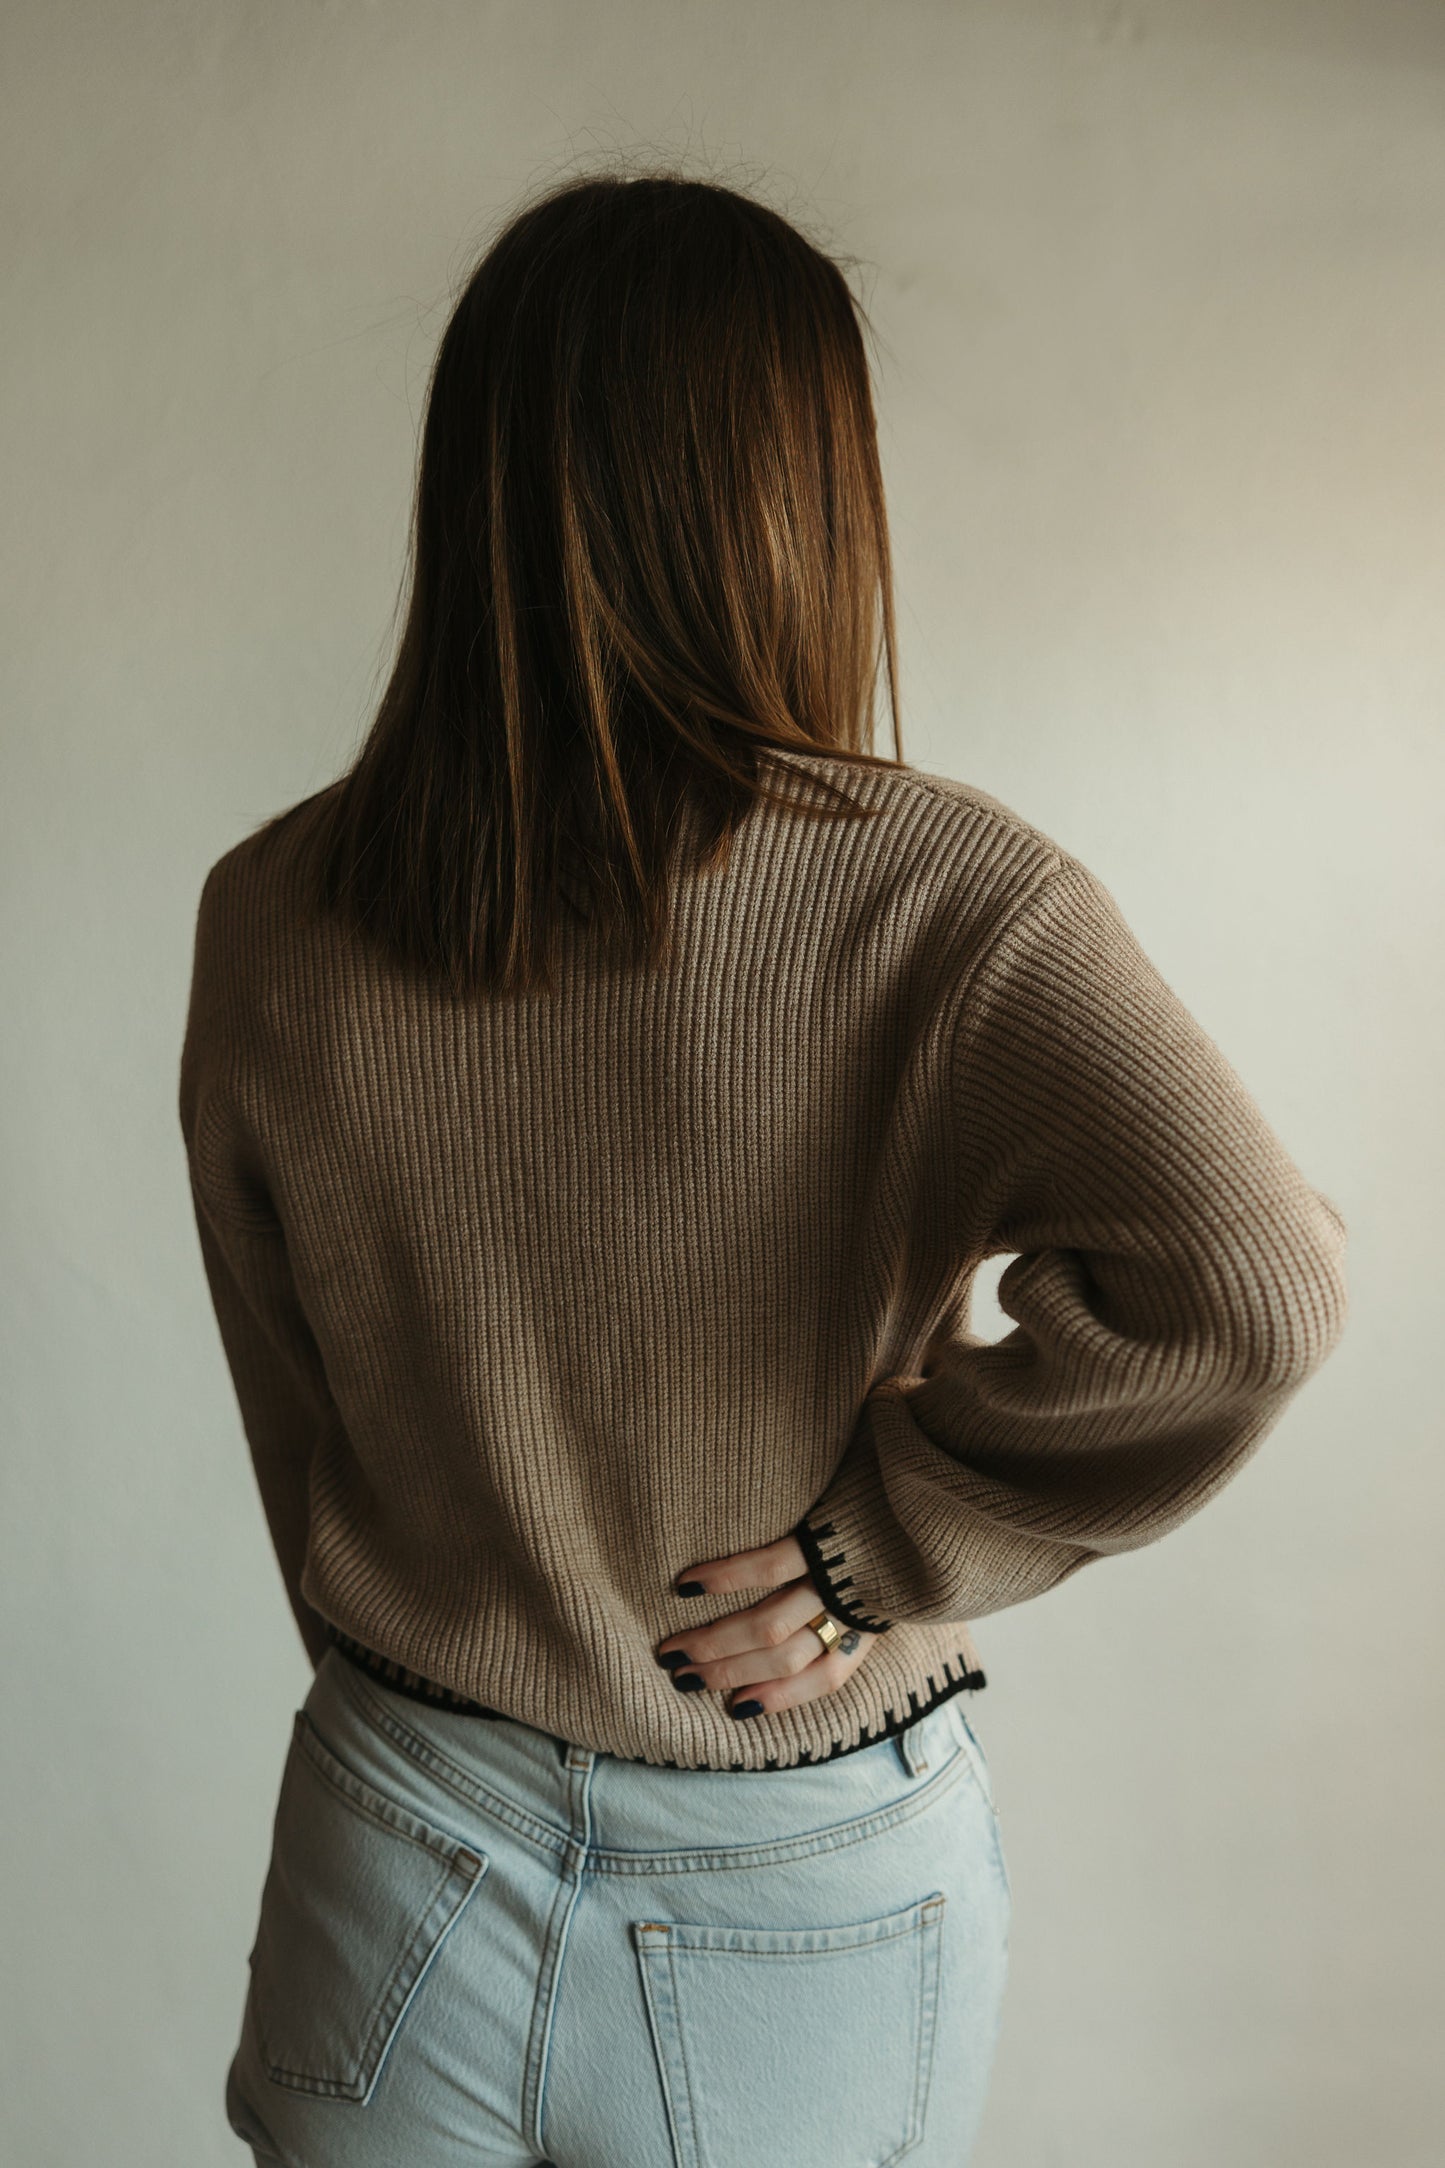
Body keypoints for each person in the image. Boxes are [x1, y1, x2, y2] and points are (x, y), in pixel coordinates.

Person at [178, 170, 1349, 2168]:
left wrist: (469, 1672)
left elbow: (302, 1416)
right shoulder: (941, 898)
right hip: (792, 1867)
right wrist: (878, 1552)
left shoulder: (278, 909)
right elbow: (1255, 1289)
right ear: (805, 498)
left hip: (396, 1820)